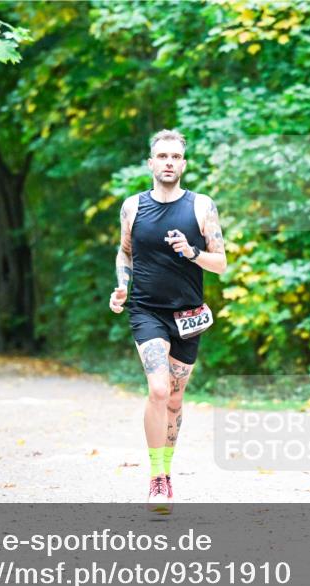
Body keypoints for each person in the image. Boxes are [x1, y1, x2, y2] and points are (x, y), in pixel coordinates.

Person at [109, 129, 227, 512]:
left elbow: (221, 264)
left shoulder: (201, 207)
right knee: (159, 390)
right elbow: (124, 255)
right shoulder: (132, 207)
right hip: (146, 310)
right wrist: (122, 288)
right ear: (151, 163)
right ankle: (156, 480)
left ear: (184, 164)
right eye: (162, 156)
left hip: (189, 315)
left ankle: (167, 472)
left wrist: (192, 252)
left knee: (175, 400)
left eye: (176, 157)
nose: (169, 162)